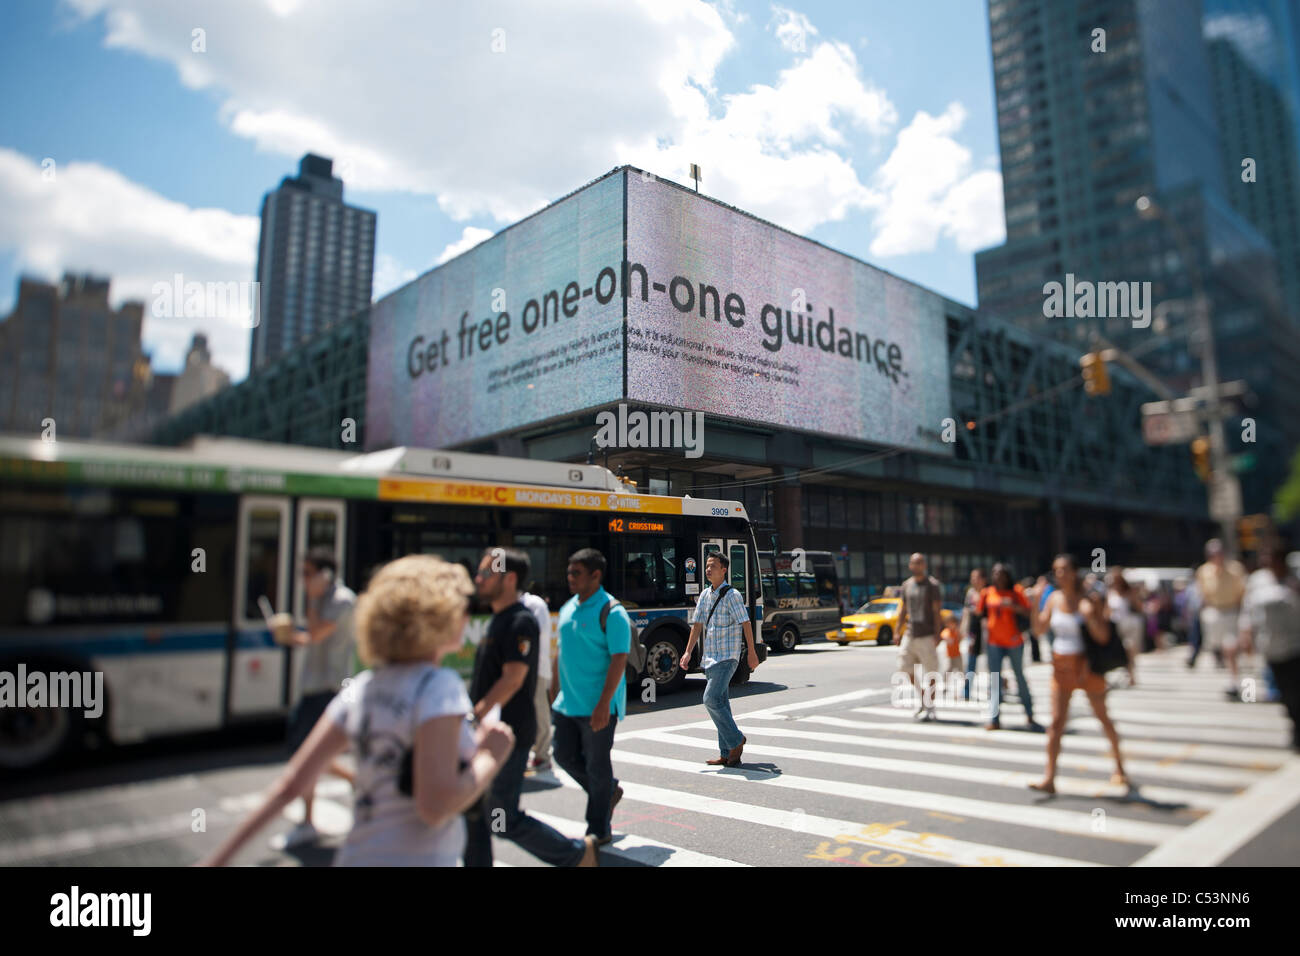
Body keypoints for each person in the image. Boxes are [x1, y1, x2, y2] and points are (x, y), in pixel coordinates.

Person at [203, 555, 513, 866]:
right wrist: (489, 756)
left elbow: (290, 785)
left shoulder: (363, 688)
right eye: (462, 608)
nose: (466, 616)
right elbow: (434, 808)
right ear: (440, 617)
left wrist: (216, 861)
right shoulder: (439, 687)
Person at [464, 549, 597, 867]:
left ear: (509, 579)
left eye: (485, 574)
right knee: (473, 813)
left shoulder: (519, 621)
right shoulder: (499, 619)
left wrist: (474, 716)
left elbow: (512, 679)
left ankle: (577, 855)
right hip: (491, 733)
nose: (477, 580)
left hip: (508, 735)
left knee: (502, 816)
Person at [270, 547, 358, 851]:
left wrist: (311, 600)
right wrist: (289, 637)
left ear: (326, 574)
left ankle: (308, 822)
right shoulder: (323, 600)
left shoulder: (342, 600)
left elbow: (318, 632)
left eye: (307, 573)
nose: (303, 580)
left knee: (303, 756)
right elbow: (310, 637)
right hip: (313, 687)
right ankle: (352, 781)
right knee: (307, 755)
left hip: (329, 688)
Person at [1029, 554, 1128, 794]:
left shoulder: (1088, 600)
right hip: (1060, 667)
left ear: (1074, 572)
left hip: (1086, 668)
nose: (1059, 574)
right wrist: (1034, 602)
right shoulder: (1053, 598)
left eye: (1064, 569)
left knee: (1103, 718)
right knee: (1055, 723)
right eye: (1056, 570)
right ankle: (1049, 778)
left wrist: (1091, 617)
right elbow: (1039, 630)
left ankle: (1120, 769)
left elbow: (1103, 637)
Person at [551, 548, 629, 846]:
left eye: (576, 573)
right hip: (566, 704)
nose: (569, 578)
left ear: (596, 575)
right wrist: (554, 693)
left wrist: (603, 705)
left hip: (598, 707)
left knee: (597, 766)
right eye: (569, 572)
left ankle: (598, 828)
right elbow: (561, 653)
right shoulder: (569, 606)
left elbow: (619, 660)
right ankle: (607, 791)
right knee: (563, 756)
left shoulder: (612, 612)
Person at [682, 551, 761, 766]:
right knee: (722, 704)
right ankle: (727, 754)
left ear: (724, 570)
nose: (708, 569)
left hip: (728, 657)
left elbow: (746, 623)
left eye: (713, 566)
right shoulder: (705, 595)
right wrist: (688, 651)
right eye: (707, 566)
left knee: (710, 699)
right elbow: (697, 625)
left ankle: (736, 740)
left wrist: (752, 652)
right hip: (710, 658)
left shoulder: (733, 595)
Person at [1240, 537, 1300, 751]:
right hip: (1271, 646)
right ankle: (1295, 725)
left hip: (1296, 645)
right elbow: (1248, 609)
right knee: (1286, 693)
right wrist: (1246, 633)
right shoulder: (1258, 580)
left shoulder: (1295, 577)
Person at [978, 564, 1040, 732]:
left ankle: (1029, 714)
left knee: (1019, 677)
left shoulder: (1016, 591)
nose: (999, 577)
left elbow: (1028, 612)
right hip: (994, 643)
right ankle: (994, 718)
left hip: (1014, 641)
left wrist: (1013, 606)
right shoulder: (987, 593)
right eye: (996, 574)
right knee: (995, 680)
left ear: (1007, 576)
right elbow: (981, 615)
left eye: (1002, 574)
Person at [1196, 539, 1248, 699]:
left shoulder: (1236, 569)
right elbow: (1203, 594)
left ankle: (1234, 682)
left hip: (1232, 612)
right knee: (1222, 649)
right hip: (1214, 613)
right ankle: (1231, 674)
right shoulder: (1203, 571)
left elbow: (1243, 593)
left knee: (1230, 647)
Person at [897, 553, 943, 721]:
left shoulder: (933, 585)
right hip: (910, 633)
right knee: (904, 667)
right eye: (913, 563)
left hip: (927, 634)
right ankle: (923, 697)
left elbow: (937, 611)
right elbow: (903, 609)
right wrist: (897, 630)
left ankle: (930, 706)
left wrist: (938, 634)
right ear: (910, 566)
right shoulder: (907, 585)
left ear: (924, 565)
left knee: (930, 672)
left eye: (919, 563)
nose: (916, 566)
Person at [520, 586, 555, 775]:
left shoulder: (534, 604)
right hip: (515, 669)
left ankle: (542, 755)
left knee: (540, 712)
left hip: (536, 669)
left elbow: (538, 638)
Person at [1106, 569, 1144, 687]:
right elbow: (1107, 610)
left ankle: (1131, 674)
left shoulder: (1129, 592)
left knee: (1130, 650)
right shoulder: (1110, 593)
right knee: (1118, 651)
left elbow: (1139, 608)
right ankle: (1126, 673)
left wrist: (1136, 595)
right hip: (1116, 625)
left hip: (1130, 625)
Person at [961, 568, 987, 702]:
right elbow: (966, 611)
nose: (973, 580)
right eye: (972, 577)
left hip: (987, 630)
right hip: (973, 630)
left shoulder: (988, 592)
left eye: (976, 577)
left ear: (983, 579)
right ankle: (966, 691)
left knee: (991, 663)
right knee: (970, 661)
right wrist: (963, 629)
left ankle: (996, 688)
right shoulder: (970, 593)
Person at [1019, 576, 1043, 663]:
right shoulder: (1033, 592)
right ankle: (1036, 656)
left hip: (1028, 617)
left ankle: (1034, 656)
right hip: (1033, 616)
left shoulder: (1025, 592)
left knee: (1029, 638)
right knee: (1034, 638)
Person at [938, 610, 963, 677]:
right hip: (949, 656)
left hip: (957, 655)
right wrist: (947, 639)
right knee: (948, 670)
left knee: (961, 669)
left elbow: (960, 638)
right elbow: (943, 635)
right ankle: (944, 682)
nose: (950, 625)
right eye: (948, 623)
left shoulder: (956, 632)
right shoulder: (946, 631)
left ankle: (965, 682)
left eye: (952, 623)